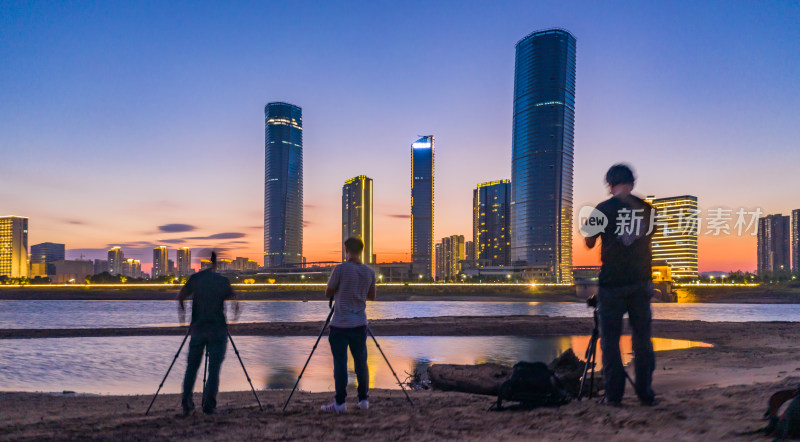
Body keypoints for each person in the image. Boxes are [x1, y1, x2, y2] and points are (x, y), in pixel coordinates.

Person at [584, 164, 657, 406]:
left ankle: (614, 396)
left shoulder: (603, 209)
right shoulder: (647, 209)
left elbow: (589, 242)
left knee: (610, 340)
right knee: (642, 340)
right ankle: (645, 394)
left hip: (612, 284)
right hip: (640, 283)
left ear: (610, 185)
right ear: (632, 183)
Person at [177, 251, 239, 416]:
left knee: (192, 367)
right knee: (214, 370)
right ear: (216, 264)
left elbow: (181, 297)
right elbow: (235, 301)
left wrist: (183, 321)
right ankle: (209, 406)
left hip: (197, 329)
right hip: (218, 330)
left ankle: (187, 405)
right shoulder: (222, 281)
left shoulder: (195, 279)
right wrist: (232, 322)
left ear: (203, 263)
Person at [321, 237, 376, 413]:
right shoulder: (369, 272)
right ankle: (363, 400)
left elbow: (328, 292)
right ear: (361, 250)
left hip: (340, 325)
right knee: (361, 362)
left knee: (340, 363)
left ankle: (340, 403)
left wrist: (341, 290)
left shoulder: (340, 269)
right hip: (360, 324)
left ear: (346, 250)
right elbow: (372, 296)